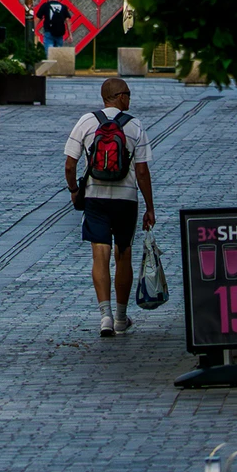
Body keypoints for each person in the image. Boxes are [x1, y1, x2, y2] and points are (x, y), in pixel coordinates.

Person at [64, 77, 155, 337]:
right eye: (128, 93)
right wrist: (150, 207)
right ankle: (122, 318)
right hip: (126, 200)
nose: (130, 98)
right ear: (119, 96)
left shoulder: (87, 122)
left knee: (100, 255)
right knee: (123, 255)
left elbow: (70, 165)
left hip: (95, 198)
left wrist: (74, 191)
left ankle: (105, 316)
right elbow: (142, 171)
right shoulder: (135, 125)